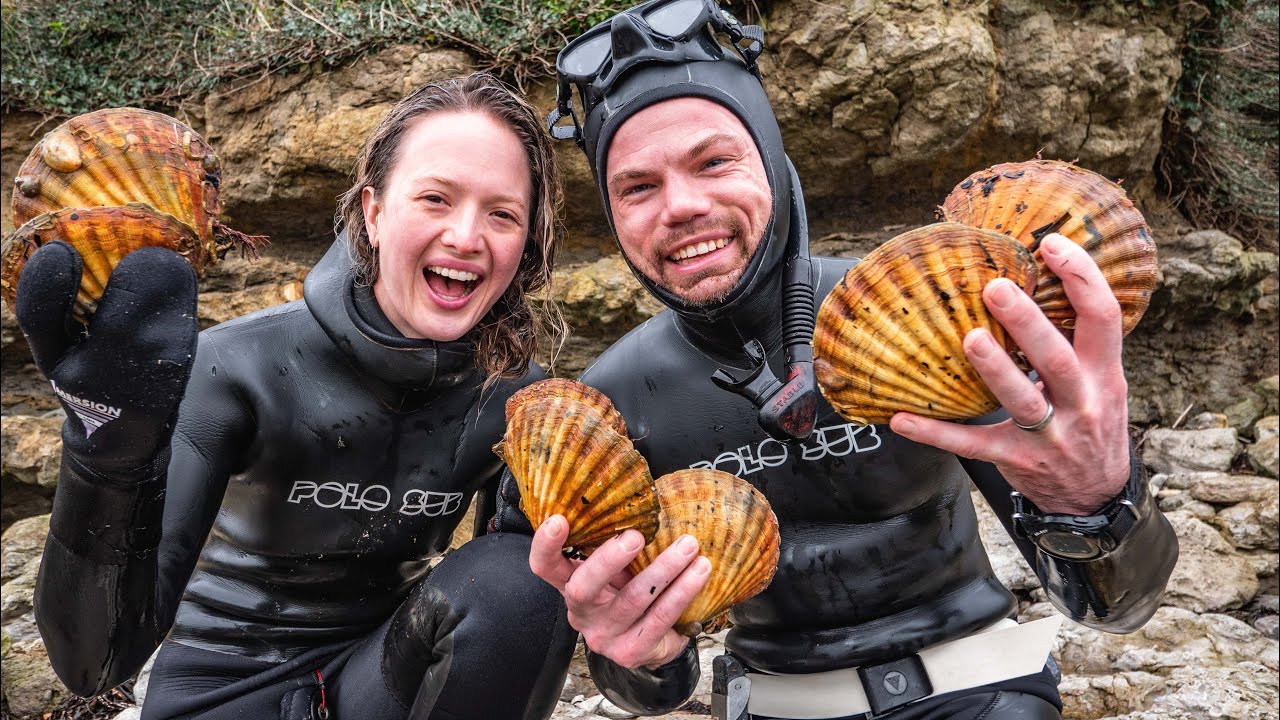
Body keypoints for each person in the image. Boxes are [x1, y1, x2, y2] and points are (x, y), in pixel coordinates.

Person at [496, 2, 1180, 718]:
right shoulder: (612, 402)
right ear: (611, 216)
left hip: (981, 691)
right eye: (638, 187)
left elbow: (1114, 609)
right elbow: (648, 688)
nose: (682, 206)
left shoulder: (926, 309)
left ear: (773, 162)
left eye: (714, 162)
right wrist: (635, 651)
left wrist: (1098, 502)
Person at [20, 74, 577, 720]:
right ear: (373, 212)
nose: (466, 236)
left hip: (377, 686)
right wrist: (106, 459)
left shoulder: (520, 404)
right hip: (224, 693)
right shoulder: (237, 366)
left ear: (525, 240)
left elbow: (514, 622)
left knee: (522, 576)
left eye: (502, 214)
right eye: (435, 199)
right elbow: (94, 662)